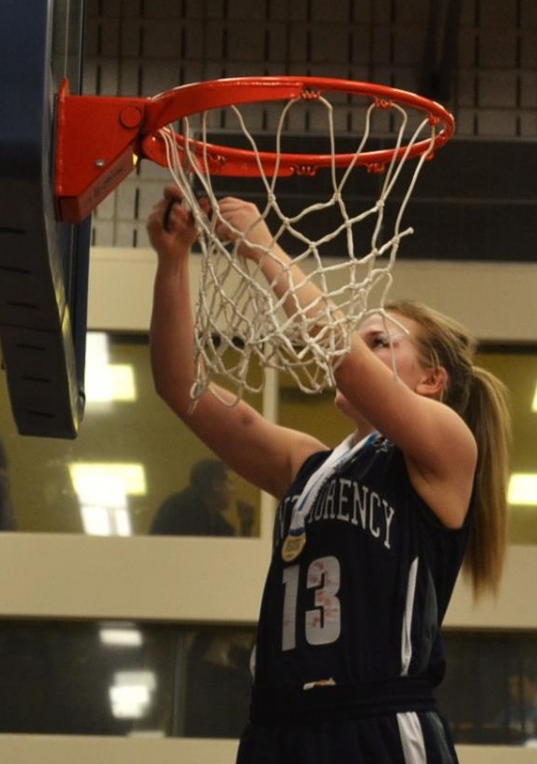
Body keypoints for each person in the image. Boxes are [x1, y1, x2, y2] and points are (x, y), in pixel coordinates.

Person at [147, 184, 510, 764]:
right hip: (278, 727)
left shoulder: (447, 447)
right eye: (362, 341)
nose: (360, 350)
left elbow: (341, 355)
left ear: (431, 381)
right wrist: (172, 261)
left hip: (379, 723)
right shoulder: (308, 465)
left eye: (380, 342)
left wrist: (265, 247)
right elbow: (178, 385)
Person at [150, 457, 254, 536]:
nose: (233, 490)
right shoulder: (183, 511)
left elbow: (229, 549)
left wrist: (246, 523)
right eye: (230, 483)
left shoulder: (213, 517)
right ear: (217, 485)